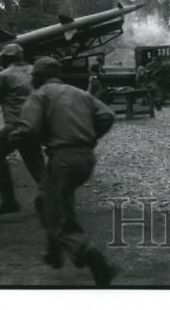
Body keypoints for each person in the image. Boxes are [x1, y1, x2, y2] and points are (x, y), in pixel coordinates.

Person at [15, 57, 118, 284]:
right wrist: (89, 137)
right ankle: (54, 251)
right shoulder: (79, 92)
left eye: (33, 75)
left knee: (59, 215)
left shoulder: (40, 95)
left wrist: (16, 135)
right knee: (45, 202)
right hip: (85, 158)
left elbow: (28, 129)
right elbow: (107, 115)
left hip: (63, 159)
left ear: (38, 76)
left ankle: (97, 263)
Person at [0, 44, 46, 215]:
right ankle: (56, 199)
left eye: (3, 57)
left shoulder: (5, 75)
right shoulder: (34, 70)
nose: (1, 59)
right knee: (36, 164)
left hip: (15, 125)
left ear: (8, 58)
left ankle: (8, 201)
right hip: (34, 124)